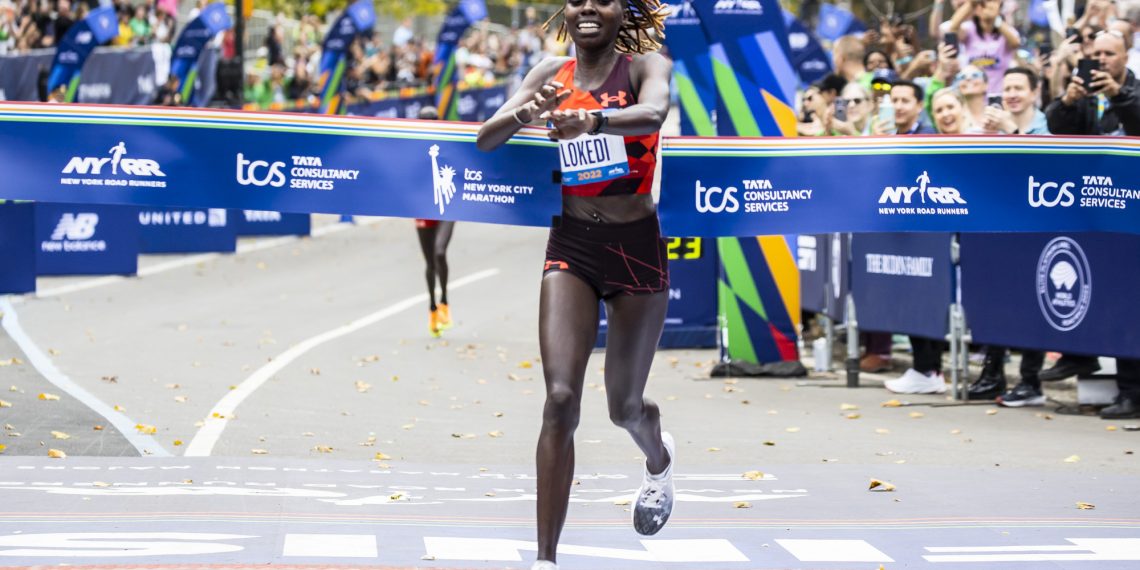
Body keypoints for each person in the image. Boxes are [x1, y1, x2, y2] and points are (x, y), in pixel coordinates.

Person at [476, 1, 674, 568]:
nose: (588, 6)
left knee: (624, 407)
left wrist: (594, 121)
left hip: (636, 249)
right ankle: (546, 560)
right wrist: (526, 113)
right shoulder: (548, 73)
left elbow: (654, 114)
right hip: (572, 246)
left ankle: (658, 460)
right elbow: (486, 138)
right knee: (560, 400)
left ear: (622, 12)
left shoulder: (642, 65)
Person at [1042, 29, 1140, 419]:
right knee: (1097, 295)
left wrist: (1116, 92)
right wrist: (1066, 102)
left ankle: (1132, 391)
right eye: (1095, 52)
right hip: (1093, 210)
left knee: (1128, 303)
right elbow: (1055, 128)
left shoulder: (1130, 90)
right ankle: (1084, 358)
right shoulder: (1084, 92)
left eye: (1109, 53)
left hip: (1131, 212)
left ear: (1126, 54)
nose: (1100, 59)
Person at [415, 106, 456, 338]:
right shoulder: (411, 147)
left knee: (440, 252)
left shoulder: (449, 140)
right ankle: (432, 307)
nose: (428, 123)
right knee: (430, 261)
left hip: (447, 206)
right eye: (424, 120)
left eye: (432, 120)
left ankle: (445, 302)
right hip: (423, 209)